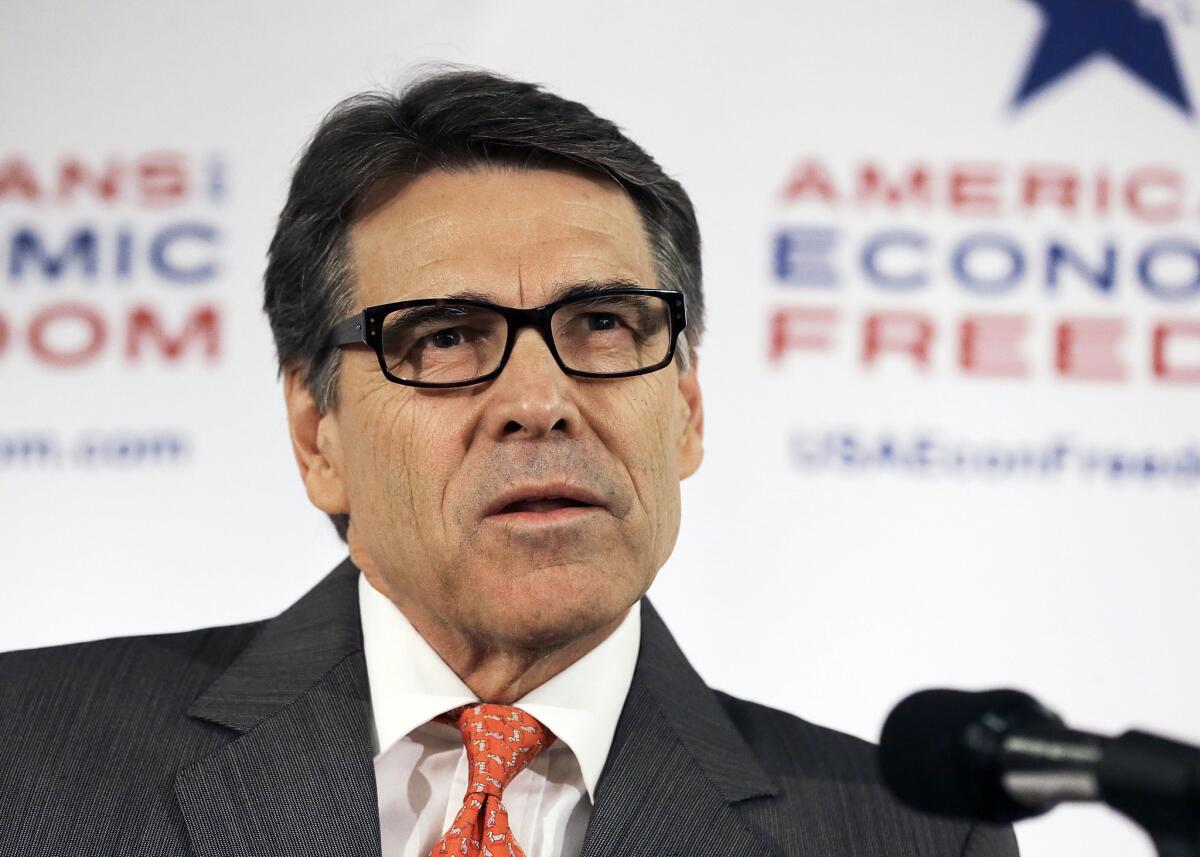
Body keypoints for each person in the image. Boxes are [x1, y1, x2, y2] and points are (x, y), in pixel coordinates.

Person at [0, 69, 1019, 857]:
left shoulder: (908, 832)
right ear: (319, 435)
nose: (539, 401)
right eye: (444, 336)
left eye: (606, 322)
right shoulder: (27, 754)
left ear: (689, 407)